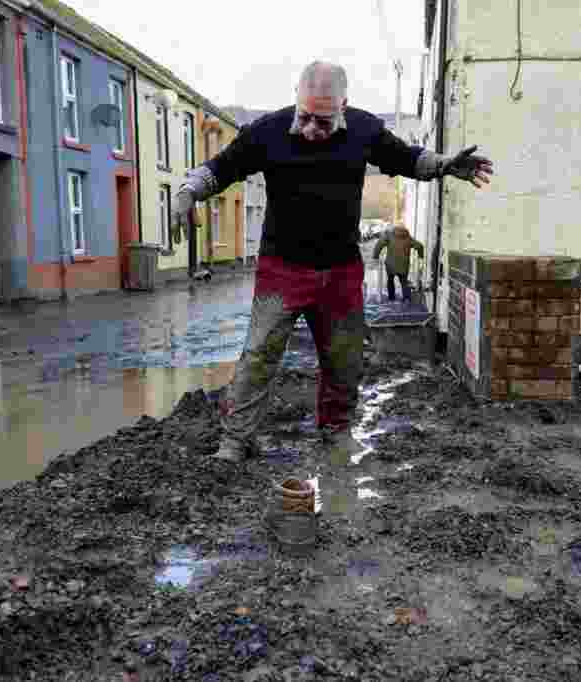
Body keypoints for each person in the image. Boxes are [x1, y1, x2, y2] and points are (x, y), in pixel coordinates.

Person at [172, 60, 493, 465]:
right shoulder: (269, 131)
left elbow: (406, 158)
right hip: (281, 271)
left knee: (344, 358)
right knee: (258, 355)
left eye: (322, 122)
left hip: (340, 273)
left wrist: (444, 165)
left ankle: (335, 431)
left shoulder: (363, 129)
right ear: (296, 101)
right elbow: (221, 168)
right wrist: (187, 192)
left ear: (344, 106)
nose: (310, 129)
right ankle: (236, 439)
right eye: (304, 117)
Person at [373, 224, 425, 302]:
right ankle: (406, 299)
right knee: (404, 282)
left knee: (390, 281)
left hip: (390, 265)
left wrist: (375, 256)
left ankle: (391, 298)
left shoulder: (389, 235)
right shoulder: (408, 238)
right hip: (404, 265)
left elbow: (379, 244)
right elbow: (420, 246)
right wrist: (420, 256)